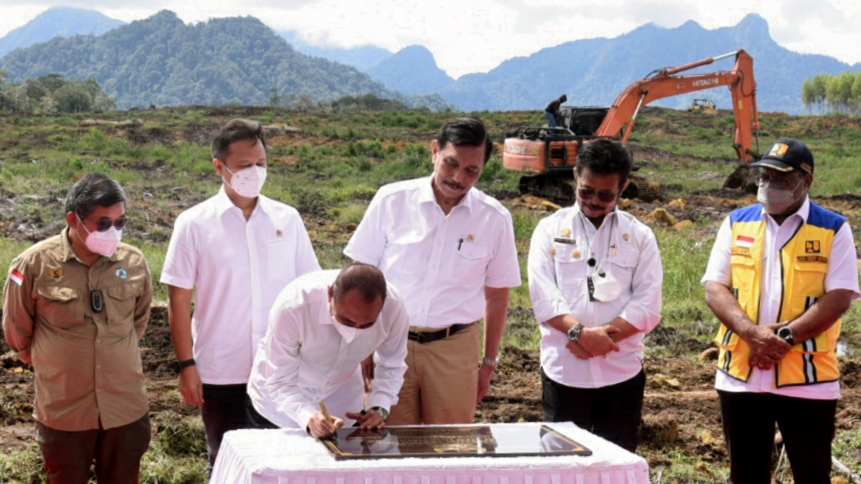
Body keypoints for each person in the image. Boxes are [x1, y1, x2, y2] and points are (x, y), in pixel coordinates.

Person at [160, 118, 320, 465]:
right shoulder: (194, 224)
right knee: (227, 461)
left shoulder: (287, 219)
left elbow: (311, 292)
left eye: (260, 164)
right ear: (219, 167)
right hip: (221, 371)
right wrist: (187, 365)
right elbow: (178, 302)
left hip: (281, 371)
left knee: (285, 463)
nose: (255, 172)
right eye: (244, 166)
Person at [344, 117, 521, 425]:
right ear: (435, 151)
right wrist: (362, 345)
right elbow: (362, 276)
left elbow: (497, 295)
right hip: (390, 344)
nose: (458, 177)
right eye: (451, 163)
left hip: (454, 349)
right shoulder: (392, 200)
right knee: (389, 443)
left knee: (449, 447)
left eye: (471, 170)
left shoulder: (494, 218)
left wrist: (489, 363)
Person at [702, 138, 859, 483]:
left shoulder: (834, 229)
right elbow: (715, 288)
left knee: (811, 472)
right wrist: (752, 334)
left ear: (807, 181)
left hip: (808, 379)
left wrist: (783, 338)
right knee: (746, 474)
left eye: (782, 179)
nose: (769, 186)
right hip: (741, 376)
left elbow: (840, 296)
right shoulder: (736, 223)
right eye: (764, 177)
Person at [2, 173, 153, 482]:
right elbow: (17, 331)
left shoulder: (134, 262)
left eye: (120, 223)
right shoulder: (31, 265)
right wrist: (52, 359)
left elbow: (138, 322)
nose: (113, 232)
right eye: (103, 223)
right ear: (74, 219)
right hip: (64, 410)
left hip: (125, 407)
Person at [527, 138, 662, 452]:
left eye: (606, 194)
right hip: (564, 372)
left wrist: (600, 339)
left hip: (621, 373)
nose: (594, 201)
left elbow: (648, 302)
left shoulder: (640, 236)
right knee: (561, 469)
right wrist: (580, 333)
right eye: (586, 191)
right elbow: (543, 295)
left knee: (617, 464)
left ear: (624, 187)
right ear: (575, 175)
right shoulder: (549, 229)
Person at [247, 264, 409, 438]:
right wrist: (307, 416)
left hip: (344, 402)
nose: (354, 331)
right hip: (279, 406)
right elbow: (280, 381)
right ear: (330, 293)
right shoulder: (293, 306)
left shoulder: (395, 308)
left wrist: (379, 407)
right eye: (347, 320)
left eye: (367, 325)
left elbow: (392, 364)